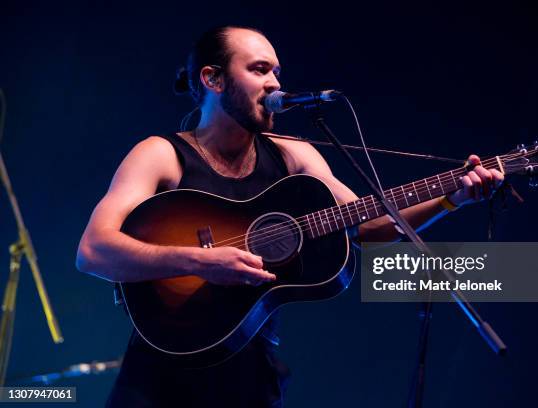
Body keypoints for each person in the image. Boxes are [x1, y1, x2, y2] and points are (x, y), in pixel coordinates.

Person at [76, 25, 503, 407]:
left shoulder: (294, 154)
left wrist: (452, 198)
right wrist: (198, 260)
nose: (275, 83)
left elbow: (369, 225)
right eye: (260, 69)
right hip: (160, 375)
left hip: (250, 372)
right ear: (213, 79)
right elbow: (93, 251)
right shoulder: (161, 153)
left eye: (277, 72)